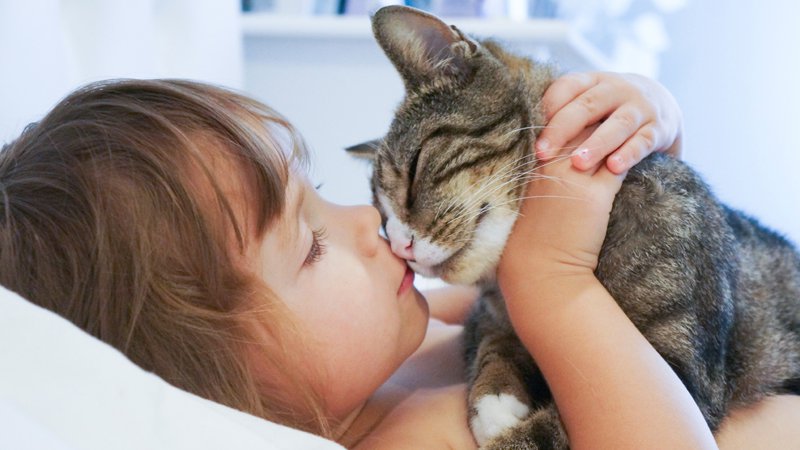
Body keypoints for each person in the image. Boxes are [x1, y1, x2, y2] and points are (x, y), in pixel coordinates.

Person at [0, 73, 797, 449]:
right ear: (220, 381)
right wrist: (551, 291)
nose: (368, 223)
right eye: (309, 245)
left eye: (318, 193)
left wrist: (640, 139)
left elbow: (648, 292)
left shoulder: (410, 344)